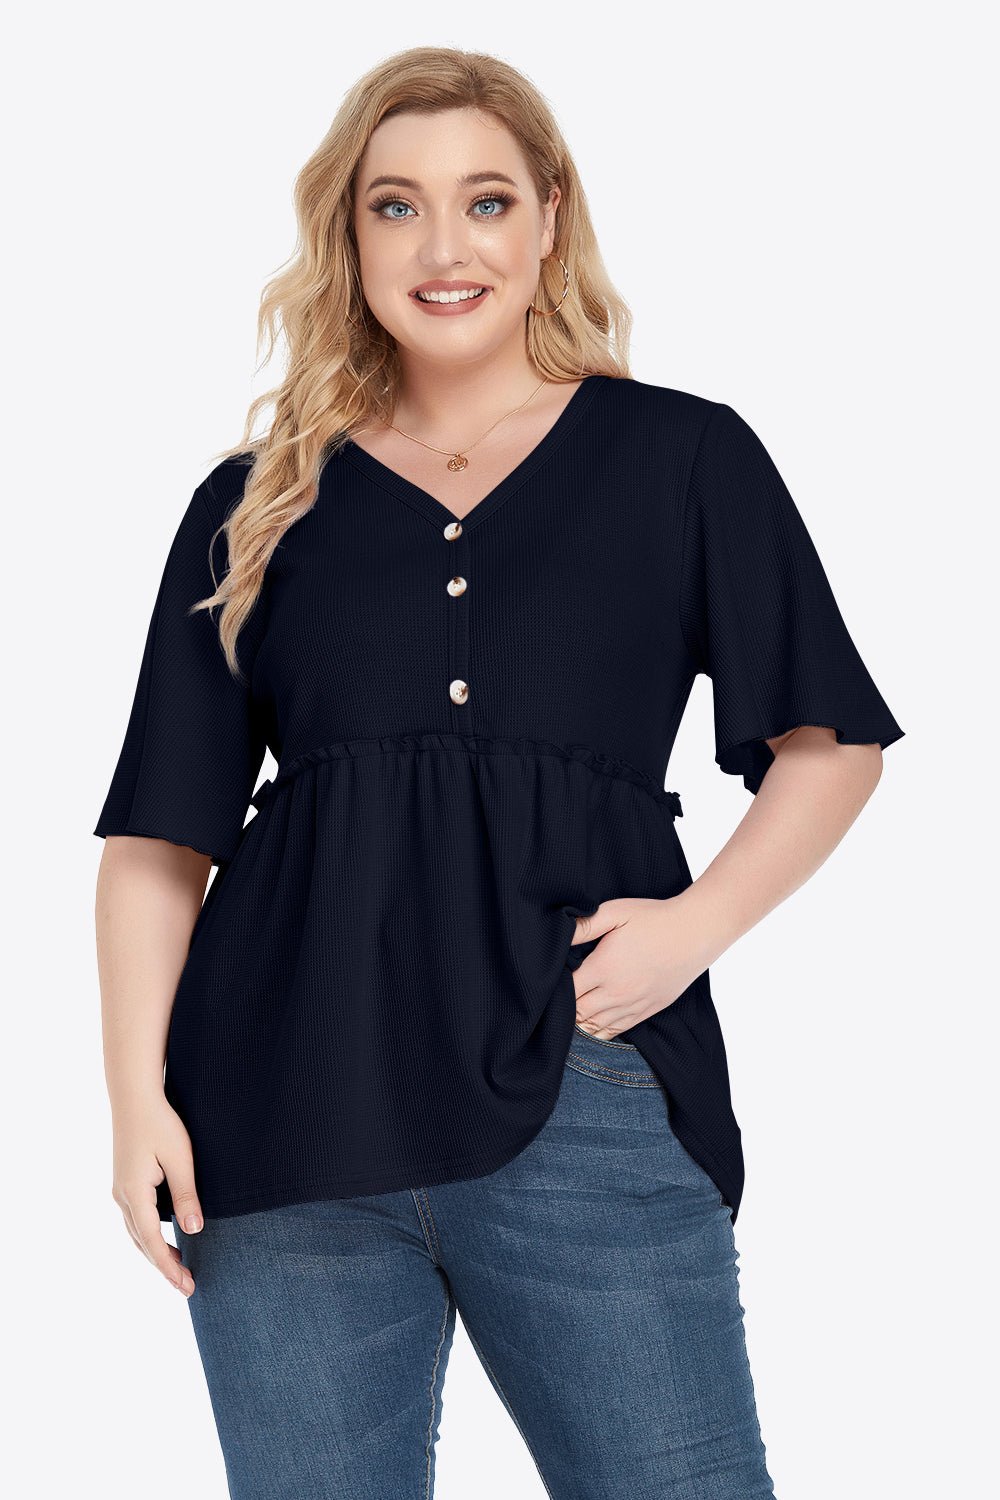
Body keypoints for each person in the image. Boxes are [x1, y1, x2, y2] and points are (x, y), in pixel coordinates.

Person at [93, 45, 904, 1500]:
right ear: (348, 238)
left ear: (548, 220)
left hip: (583, 1085)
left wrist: (695, 929)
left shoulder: (682, 458)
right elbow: (160, 840)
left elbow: (831, 742)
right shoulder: (257, 500)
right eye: (395, 207)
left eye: (483, 201)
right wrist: (134, 1102)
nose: (442, 247)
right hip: (280, 1112)